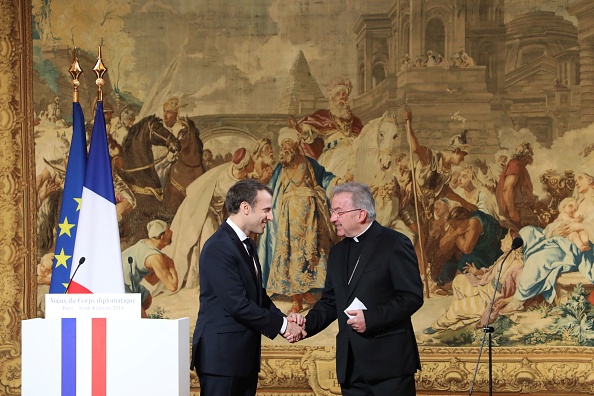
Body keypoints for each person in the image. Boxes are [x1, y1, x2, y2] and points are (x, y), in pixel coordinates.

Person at [302, 182, 423, 395]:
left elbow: (411, 296)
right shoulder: (338, 252)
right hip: (350, 367)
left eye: (338, 212)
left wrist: (371, 318)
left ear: (361, 214)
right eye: (332, 212)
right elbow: (331, 301)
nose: (332, 219)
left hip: (389, 366)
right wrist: (306, 324)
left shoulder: (395, 243)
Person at [191, 179, 306, 396]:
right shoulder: (219, 247)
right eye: (266, 210)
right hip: (222, 361)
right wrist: (283, 326)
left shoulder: (246, 244)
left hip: (241, 359)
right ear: (246, 207)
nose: (270, 217)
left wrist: (286, 318)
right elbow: (238, 305)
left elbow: (257, 296)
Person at [258, 127, 338, 314]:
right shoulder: (281, 167)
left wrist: (337, 181)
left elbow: (325, 177)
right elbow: (271, 190)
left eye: (289, 144)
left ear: (295, 145)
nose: (286, 148)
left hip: (310, 215)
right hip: (289, 219)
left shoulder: (309, 163)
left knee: (311, 253)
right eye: (283, 144)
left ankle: (307, 291)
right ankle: (296, 299)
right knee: (293, 254)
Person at [161, 147, 255, 291]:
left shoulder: (230, 169)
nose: (254, 162)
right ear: (245, 166)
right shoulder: (230, 185)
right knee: (211, 246)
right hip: (204, 212)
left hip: (211, 211)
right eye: (251, 162)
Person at [499, 171, 594, 313]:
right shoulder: (577, 202)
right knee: (527, 231)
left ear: (591, 179)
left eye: (580, 178)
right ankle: (524, 281)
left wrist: (579, 226)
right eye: (575, 179)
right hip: (561, 237)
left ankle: (519, 299)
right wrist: (554, 230)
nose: (576, 182)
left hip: (578, 246)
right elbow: (559, 220)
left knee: (540, 258)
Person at [424, 230, 524, 334]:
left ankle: (438, 326)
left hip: (490, 300)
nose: (502, 240)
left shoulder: (518, 267)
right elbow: (490, 270)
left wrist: (506, 301)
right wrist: (477, 272)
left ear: (513, 245)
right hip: (485, 288)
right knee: (459, 281)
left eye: (506, 239)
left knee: (457, 307)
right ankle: (464, 315)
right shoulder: (504, 257)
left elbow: (522, 293)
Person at [296, 77, 364, 177]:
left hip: (355, 156)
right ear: (332, 98)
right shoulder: (323, 116)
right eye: (338, 94)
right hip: (333, 156)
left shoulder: (356, 121)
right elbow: (307, 127)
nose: (341, 97)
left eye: (344, 94)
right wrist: (303, 131)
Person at [121, 220, 179, 318]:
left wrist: (162, 267)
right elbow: (172, 286)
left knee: (146, 298)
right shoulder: (155, 257)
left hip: (126, 283)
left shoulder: (145, 243)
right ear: (162, 236)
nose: (172, 232)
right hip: (116, 286)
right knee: (144, 323)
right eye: (168, 230)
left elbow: (151, 280)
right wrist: (171, 265)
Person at [495, 142, 539, 228]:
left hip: (523, 209)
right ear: (526, 154)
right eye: (531, 153)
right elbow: (507, 188)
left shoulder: (521, 168)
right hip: (518, 211)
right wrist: (512, 211)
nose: (532, 155)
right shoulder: (515, 165)